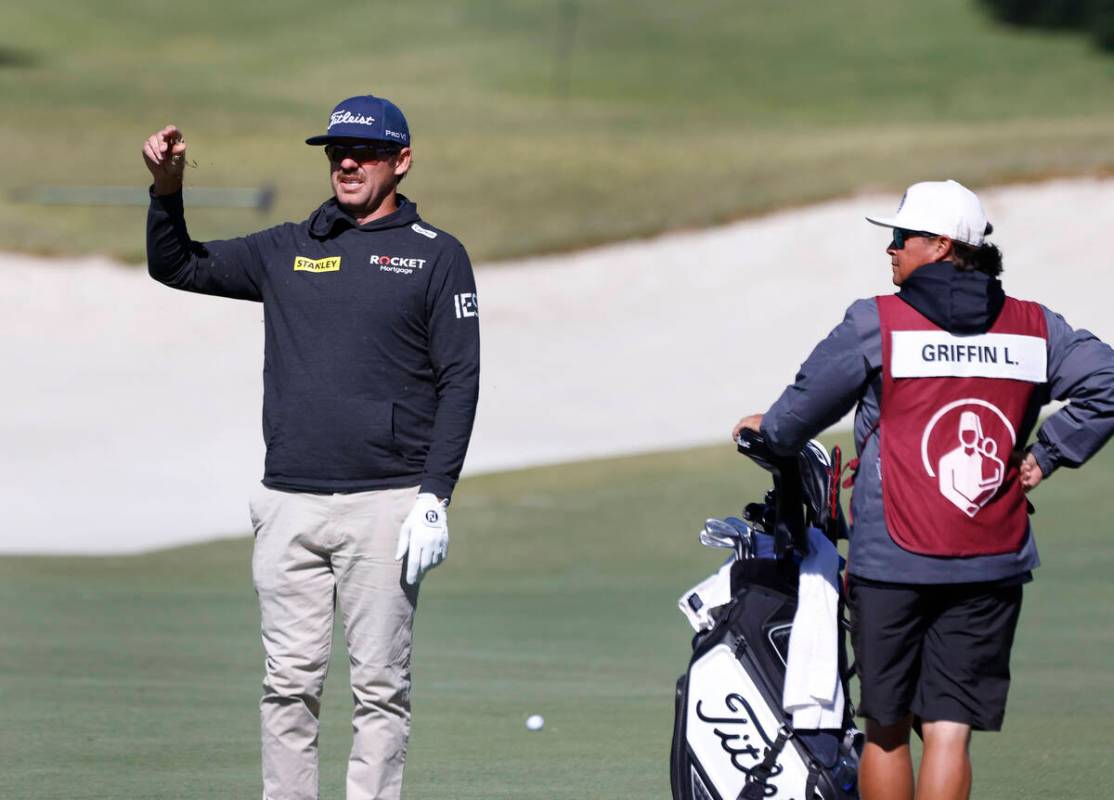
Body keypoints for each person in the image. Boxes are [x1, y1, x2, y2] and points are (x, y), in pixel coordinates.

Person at [143, 94, 480, 800]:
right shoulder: (289, 248)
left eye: (364, 153)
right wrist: (167, 190)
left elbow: (460, 380)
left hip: (386, 505)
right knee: (286, 686)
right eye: (335, 154)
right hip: (287, 503)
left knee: (380, 688)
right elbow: (177, 265)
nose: (347, 163)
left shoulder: (436, 256)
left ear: (402, 161)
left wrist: (434, 496)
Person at [732, 179, 1114, 800]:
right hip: (991, 555)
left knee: (887, 727)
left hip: (892, 560)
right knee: (949, 730)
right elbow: (1109, 381)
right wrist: (1045, 456)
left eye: (902, 237)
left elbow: (796, 415)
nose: (891, 249)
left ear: (939, 245)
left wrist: (765, 430)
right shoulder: (1035, 327)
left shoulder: (876, 321)